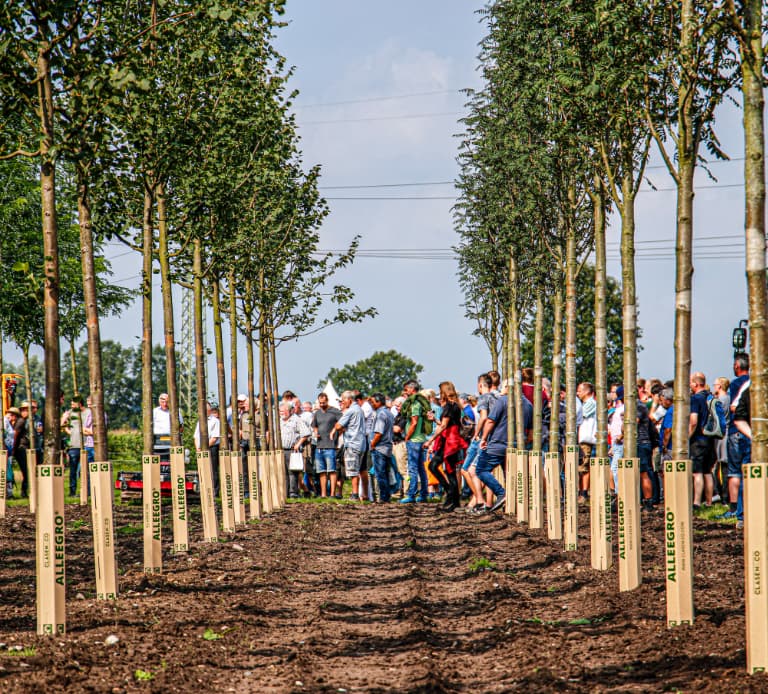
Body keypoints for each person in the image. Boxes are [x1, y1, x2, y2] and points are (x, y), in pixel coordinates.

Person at [427, 381, 468, 512]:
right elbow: (447, 424)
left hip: (450, 442)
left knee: (436, 467)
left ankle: (450, 494)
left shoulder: (449, 407)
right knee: (448, 471)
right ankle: (453, 500)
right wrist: (435, 420)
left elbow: (444, 426)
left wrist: (430, 441)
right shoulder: (455, 405)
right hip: (452, 440)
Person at [471, 392, 508, 514]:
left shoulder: (502, 401)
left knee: (480, 470)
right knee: (507, 473)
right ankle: (507, 505)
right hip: (514, 445)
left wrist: (483, 438)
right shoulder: (528, 404)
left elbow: (488, 420)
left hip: (497, 443)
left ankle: (499, 494)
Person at [724, 354, 749, 518]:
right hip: (751, 430)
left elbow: (734, 407)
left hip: (737, 430)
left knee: (735, 471)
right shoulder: (755, 382)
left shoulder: (738, 384)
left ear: (737, 366)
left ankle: (735, 509)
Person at [332, 391, 369, 501]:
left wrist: (341, 426)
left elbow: (338, 426)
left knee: (353, 471)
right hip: (362, 443)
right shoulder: (360, 409)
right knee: (362, 470)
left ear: (350, 400)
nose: (342, 401)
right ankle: (365, 494)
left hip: (352, 443)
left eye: (344, 399)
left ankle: (355, 494)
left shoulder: (351, 411)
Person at [399, 380, 430, 504]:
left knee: (412, 469)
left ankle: (411, 494)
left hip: (414, 440)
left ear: (412, 390)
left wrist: (407, 437)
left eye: (406, 390)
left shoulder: (414, 404)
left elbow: (414, 422)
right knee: (422, 469)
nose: (405, 392)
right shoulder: (421, 402)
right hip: (421, 439)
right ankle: (423, 494)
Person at [689, 372, 715, 508]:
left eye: (690, 382)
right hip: (711, 438)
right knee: (707, 471)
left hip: (698, 439)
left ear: (695, 383)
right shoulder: (711, 396)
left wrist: (687, 437)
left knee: (697, 472)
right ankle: (709, 502)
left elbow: (693, 421)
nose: (689, 384)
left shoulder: (695, 399)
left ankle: (697, 502)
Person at [278, 402, 311, 499]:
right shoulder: (278, 420)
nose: (282, 413)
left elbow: (306, 433)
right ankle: (285, 492)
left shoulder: (296, 420)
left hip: (292, 450)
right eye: (280, 411)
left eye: (284, 411)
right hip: (280, 450)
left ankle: (293, 492)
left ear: (289, 411)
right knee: (282, 472)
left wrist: (298, 444)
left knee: (292, 472)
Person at [312, 393, 341, 498]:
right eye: (320, 403)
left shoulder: (334, 411)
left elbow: (341, 423)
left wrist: (334, 431)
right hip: (319, 446)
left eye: (323, 402)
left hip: (330, 445)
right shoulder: (317, 413)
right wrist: (316, 432)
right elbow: (314, 425)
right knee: (321, 471)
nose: (322, 404)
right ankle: (323, 494)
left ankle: (332, 493)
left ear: (327, 401)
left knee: (332, 470)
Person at [369, 393, 395, 503]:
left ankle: (384, 497)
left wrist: (373, 444)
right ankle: (386, 496)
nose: (371, 404)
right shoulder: (389, 413)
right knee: (385, 473)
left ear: (379, 402)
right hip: (387, 447)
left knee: (380, 474)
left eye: (373, 402)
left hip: (380, 447)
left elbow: (378, 433)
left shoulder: (380, 414)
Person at [194, 402, 221, 496]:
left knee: (213, 469)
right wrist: (198, 447)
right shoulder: (200, 421)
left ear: (209, 410)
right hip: (201, 448)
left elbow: (215, 437)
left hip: (212, 447)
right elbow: (196, 436)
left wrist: (204, 447)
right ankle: (203, 489)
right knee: (202, 468)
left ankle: (215, 491)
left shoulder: (215, 421)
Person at [576, 382, 597, 503]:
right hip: (582, 439)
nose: (578, 393)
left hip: (586, 439)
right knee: (581, 466)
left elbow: (580, 415)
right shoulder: (585, 403)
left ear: (587, 391)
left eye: (579, 390)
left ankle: (584, 493)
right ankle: (581, 492)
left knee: (584, 466)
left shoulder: (591, 403)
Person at [61, 396, 85, 497]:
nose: (71, 406)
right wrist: (69, 431)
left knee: (83, 470)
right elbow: (61, 425)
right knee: (73, 470)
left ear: (79, 403)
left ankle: (85, 491)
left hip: (84, 445)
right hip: (73, 446)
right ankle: (72, 491)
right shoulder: (69, 413)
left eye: (73, 404)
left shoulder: (87, 412)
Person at [11, 401, 31, 498]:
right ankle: (24, 491)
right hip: (21, 448)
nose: (27, 412)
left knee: (26, 470)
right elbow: (15, 435)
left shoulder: (23, 421)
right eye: (25, 410)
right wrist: (14, 449)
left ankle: (25, 491)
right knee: (26, 470)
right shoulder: (21, 421)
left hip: (22, 448)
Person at [4, 407, 19, 497]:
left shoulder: (8, 423)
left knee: (8, 470)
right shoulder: (4, 422)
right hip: (5, 450)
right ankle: (8, 493)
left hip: (8, 450)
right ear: (13, 416)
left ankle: (8, 492)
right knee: (6, 471)